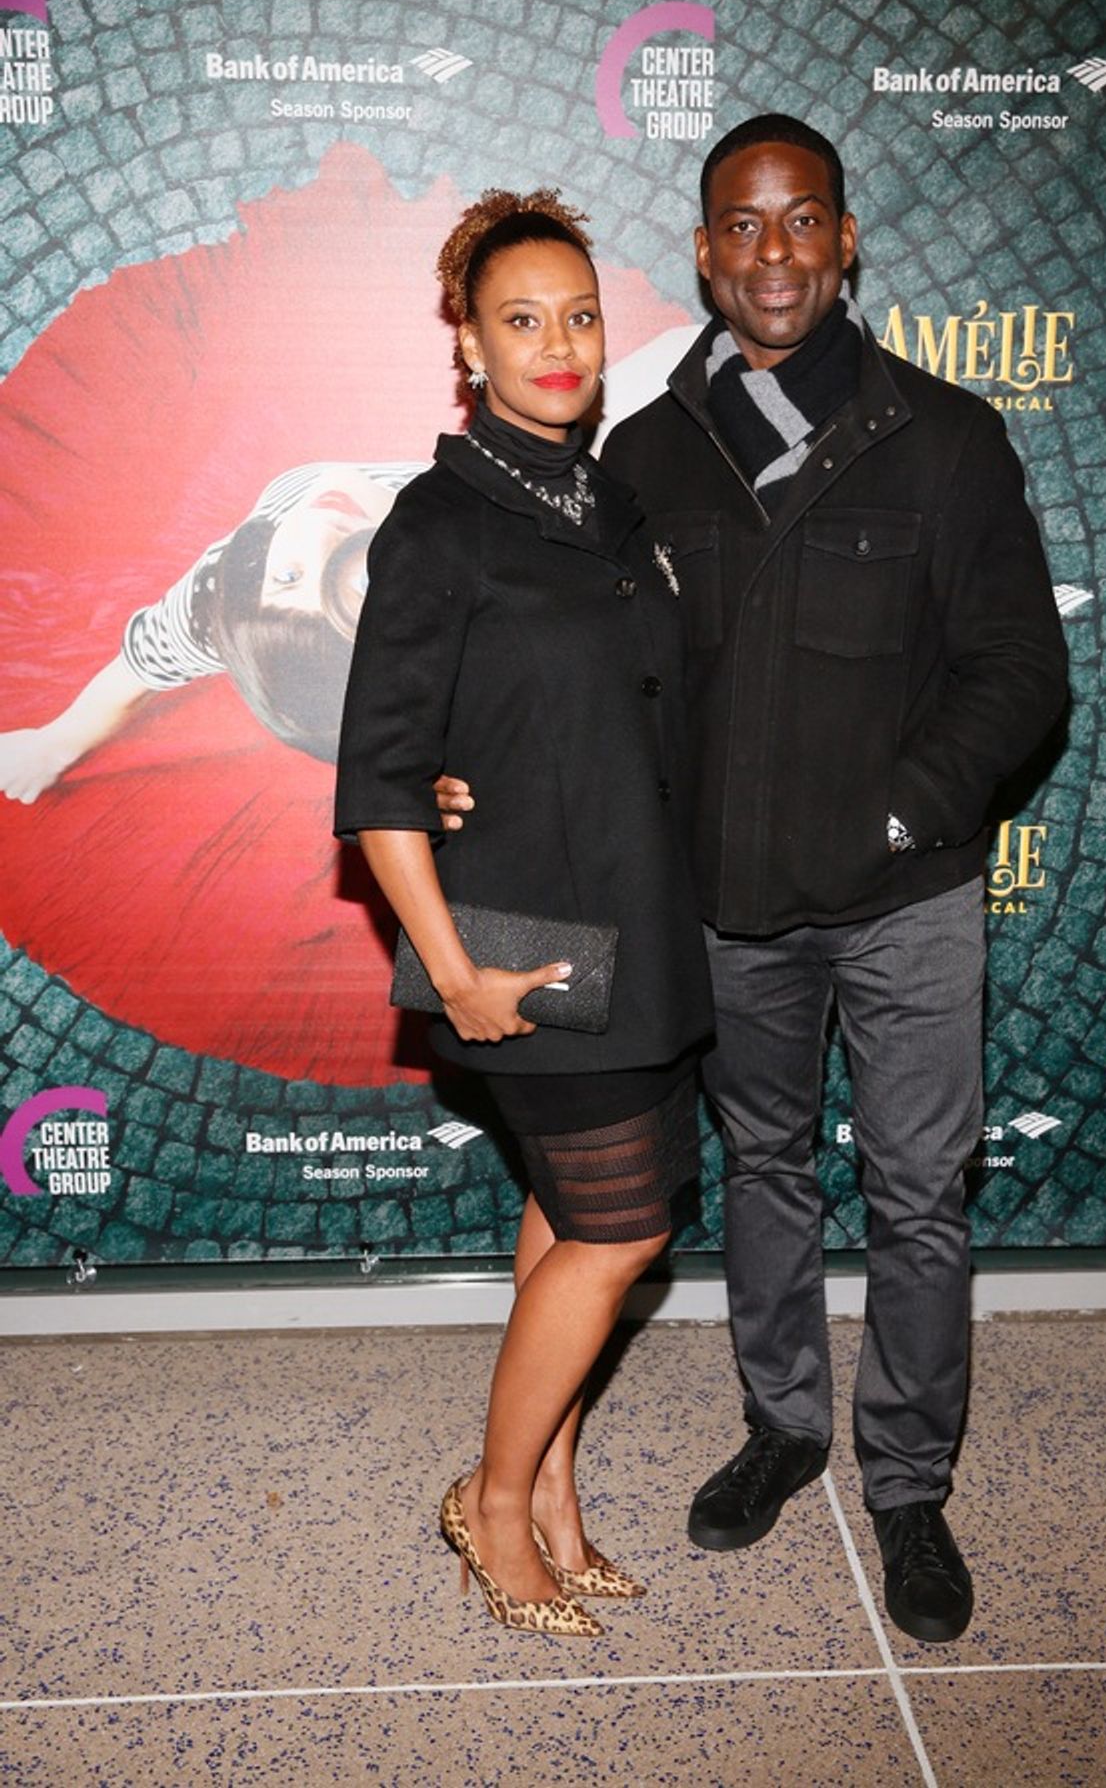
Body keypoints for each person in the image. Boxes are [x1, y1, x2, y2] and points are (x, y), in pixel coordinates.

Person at [440, 118, 1069, 1645]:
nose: (774, 251)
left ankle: (909, 1484)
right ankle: (784, 1426)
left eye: (804, 222)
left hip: (906, 907)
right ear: (708, 250)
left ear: (845, 244)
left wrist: (902, 824)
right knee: (767, 1174)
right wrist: (467, 773)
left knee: (920, 1199)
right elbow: (580, 671)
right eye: (743, 224)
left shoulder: (952, 438)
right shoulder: (646, 455)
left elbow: (1018, 675)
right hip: (724, 909)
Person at [334, 189, 712, 1638]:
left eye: (579, 316)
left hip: (648, 925)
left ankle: (551, 1489)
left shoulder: (610, 503)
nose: (557, 346)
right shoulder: (440, 525)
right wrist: (454, 975)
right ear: (468, 348)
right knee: (619, 1236)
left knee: (574, 1221)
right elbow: (379, 782)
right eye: (520, 321)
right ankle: (494, 1507)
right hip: (531, 950)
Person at [0, 463, 420, 801]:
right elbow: (137, 669)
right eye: (364, 583)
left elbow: (137, 668)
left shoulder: (224, 594)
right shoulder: (227, 594)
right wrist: (54, 744)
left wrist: (54, 743)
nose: (318, 531)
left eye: (288, 576)